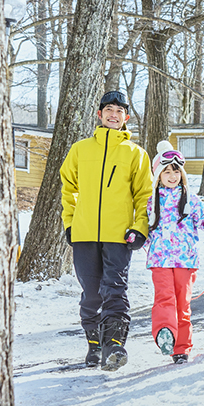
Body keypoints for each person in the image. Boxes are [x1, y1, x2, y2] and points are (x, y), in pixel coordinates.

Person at [60, 90, 152, 371]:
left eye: (120, 111)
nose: (114, 114)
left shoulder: (135, 154)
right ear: (99, 115)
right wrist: (71, 224)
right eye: (109, 109)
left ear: (126, 118)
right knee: (91, 293)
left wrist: (139, 228)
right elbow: (68, 190)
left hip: (119, 235)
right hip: (85, 234)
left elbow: (144, 195)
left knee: (114, 289)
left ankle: (114, 344)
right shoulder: (80, 150)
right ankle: (94, 344)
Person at [144, 140, 204, 364]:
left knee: (183, 304)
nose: (172, 176)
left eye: (176, 172)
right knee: (164, 298)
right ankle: (165, 333)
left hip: (186, 260)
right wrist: (136, 240)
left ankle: (181, 348)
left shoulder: (191, 200)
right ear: (158, 175)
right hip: (160, 260)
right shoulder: (151, 202)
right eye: (167, 171)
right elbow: (145, 231)